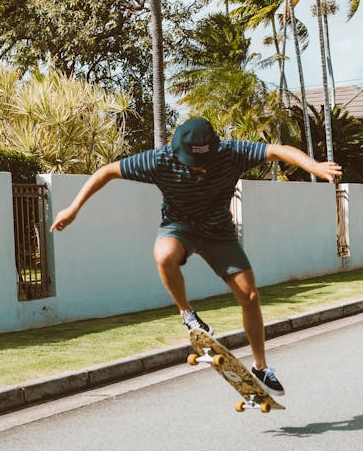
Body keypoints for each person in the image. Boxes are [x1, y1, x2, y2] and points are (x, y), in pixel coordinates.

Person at [50, 117, 342, 396]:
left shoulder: (232, 153)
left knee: (250, 296)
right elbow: (107, 171)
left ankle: (261, 367)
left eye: (205, 163)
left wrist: (313, 166)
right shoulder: (160, 159)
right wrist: (74, 208)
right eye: (194, 164)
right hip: (180, 228)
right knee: (164, 255)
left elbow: (278, 150)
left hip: (219, 233)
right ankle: (188, 315)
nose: (200, 169)